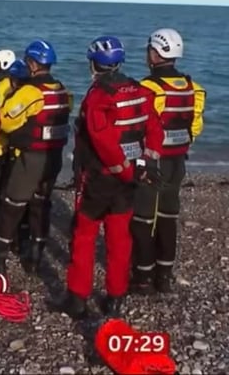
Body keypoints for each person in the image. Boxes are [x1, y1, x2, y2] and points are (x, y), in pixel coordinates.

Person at [57, 36, 163, 318]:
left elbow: (101, 138)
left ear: (95, 64)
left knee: (84, 236)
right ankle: (115, 297)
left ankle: (77, 299)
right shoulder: (140, 90)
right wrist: (144, 164)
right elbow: (155, 128)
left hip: (99, 179)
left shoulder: (99, 96)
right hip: (128, 180)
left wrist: (121, 168)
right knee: (119, 239)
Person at [0, 39, 73, 275]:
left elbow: (5, 120)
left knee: (12, 205)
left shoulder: (29, 92)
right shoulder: (61, 89)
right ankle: (35, 255)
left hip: (31, 158)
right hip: (54, 156)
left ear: (33, 64)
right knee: (41, 204)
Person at [131, 28, 205, 294]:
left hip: (153, 163)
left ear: (155, 53)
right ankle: (164, 276)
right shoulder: (192, 87)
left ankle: (141, 277)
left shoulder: (147, 88)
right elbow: (195, 127)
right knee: (168, 217)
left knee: (143, 219)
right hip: (177, 162)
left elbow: (137, 127)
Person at [0, 59, 29, 261]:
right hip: (8, 147)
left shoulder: (11, 89)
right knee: (3, 194)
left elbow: (3, 119)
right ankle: (11, 240)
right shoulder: (9, 89)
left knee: (7, 196)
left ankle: (7, 242)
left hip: (9, 148)